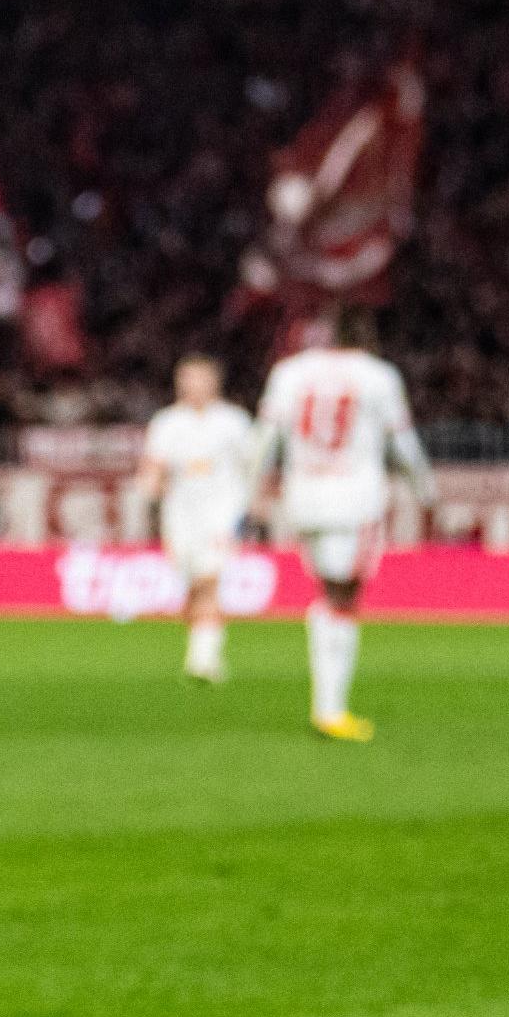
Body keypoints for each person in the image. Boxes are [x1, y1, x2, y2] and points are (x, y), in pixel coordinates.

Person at [252, 316, 432, 742]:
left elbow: (265, 438)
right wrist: (425, 490)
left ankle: (326, 705)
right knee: (345, 596)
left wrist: (253, 492)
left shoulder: (289, 372)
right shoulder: (378, 375)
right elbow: (402, 441)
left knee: (326, 594)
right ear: (367, 337)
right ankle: (331, 709)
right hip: (355, 498)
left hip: (304, 496)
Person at [136, 354, 255, 685]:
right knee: (192, 586)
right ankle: (199, 650)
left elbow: (253, 467)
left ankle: (205, 661)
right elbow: (154, 466)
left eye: (200, 378)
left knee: (209, 580)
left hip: (221, 514)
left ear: (214, 382)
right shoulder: (167, 422)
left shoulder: (234, 422)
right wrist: (149, 490)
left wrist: (251, 508)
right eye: (187, 379)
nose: (193, 386)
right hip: (180, 516)